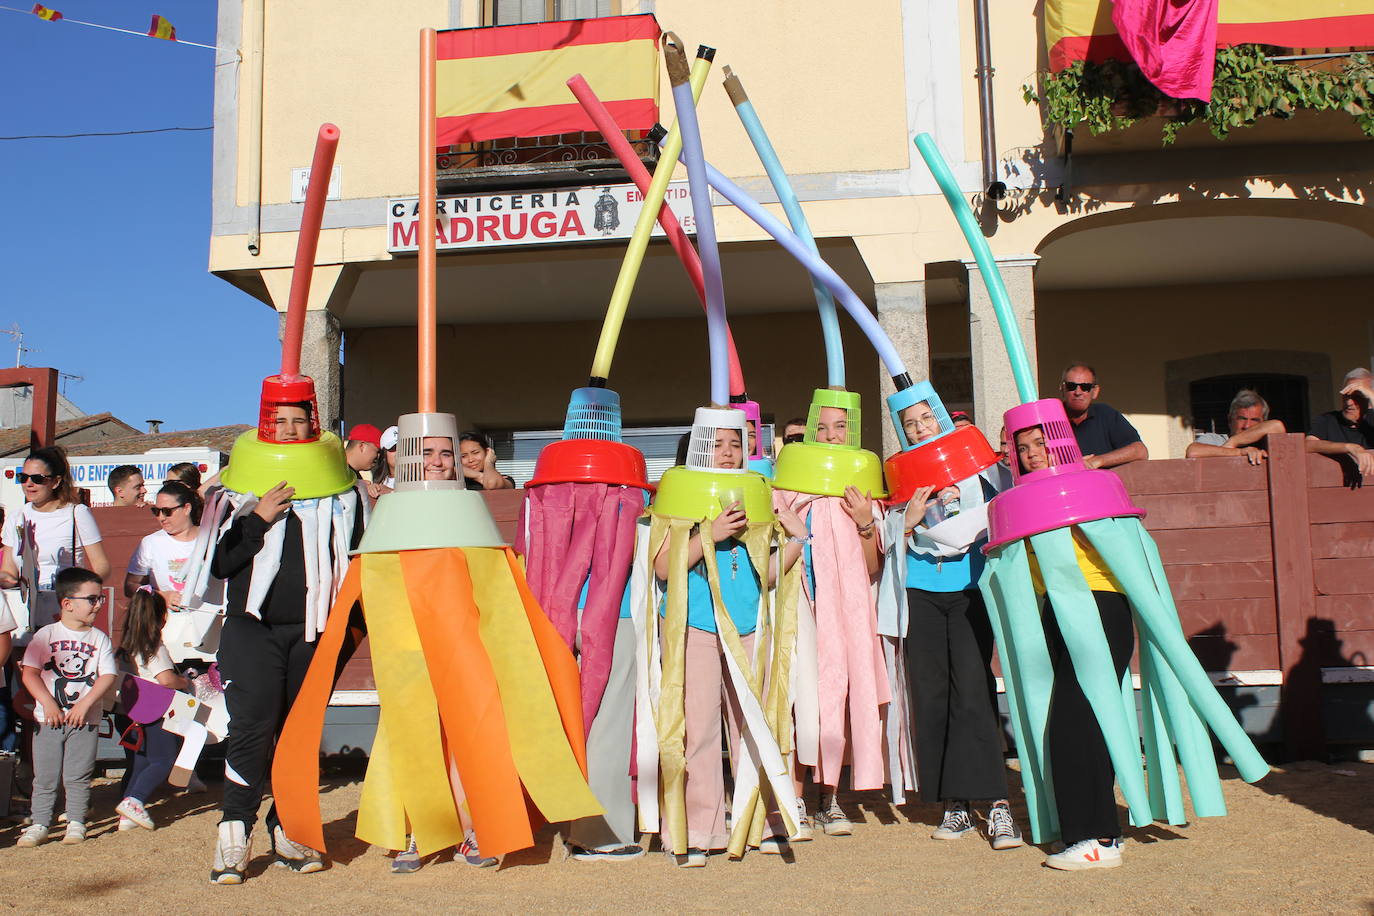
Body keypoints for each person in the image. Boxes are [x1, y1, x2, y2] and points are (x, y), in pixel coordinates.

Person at [652, 425, 807, 866]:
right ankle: (699, 831)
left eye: (735, 444)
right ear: (695, 451)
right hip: (696, 626)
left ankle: (753, 824)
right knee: (698, 730)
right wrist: (710, 534)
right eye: (715, 444)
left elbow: (769, 574)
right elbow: (664, 568)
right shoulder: (678, 499)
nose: (726, 452)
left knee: (752, 728)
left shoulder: (756, 501)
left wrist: (797, 539)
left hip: (747, 627)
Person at [891, 401, 1022, 851]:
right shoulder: (902, 476)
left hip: (970, 589)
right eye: (910, 424)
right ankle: (955, 803)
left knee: (972, 688)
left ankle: (996, 801)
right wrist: (904, 523)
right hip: (920, 592)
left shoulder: (985, 471)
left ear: (943, 421)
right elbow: (887, 533)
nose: (920, 428)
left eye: (927, 419)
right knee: (932, 695)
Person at [1015, 425, 1132, 870]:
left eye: (1039, 445)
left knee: (1075, 723)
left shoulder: (1086, 484)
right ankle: (1099, 835)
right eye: (1022, 448)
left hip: (1096, 603)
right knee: (1078, 722)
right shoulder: (1023, 496)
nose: (1031, 455)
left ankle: (1095, 838)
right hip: (1058, 608)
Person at [16, 567, 118, 847]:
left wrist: (85, 704)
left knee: (78, 773)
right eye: (92, 599)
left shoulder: (100, 639)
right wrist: (47, 703)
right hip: (48, 720)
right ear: (67, 603)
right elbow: (29, 673)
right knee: (45, 775)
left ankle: (75, 821)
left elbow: (107, 675)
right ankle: (40, 823)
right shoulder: (45, 636)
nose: (98, 605)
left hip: (85, 720)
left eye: (100, 600)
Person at [1, 447, 111, 635]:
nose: (29, 484)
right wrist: (6, 579)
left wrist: (81, 594)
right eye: (23, 477)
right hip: (24, 607)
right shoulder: (17, 516)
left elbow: (102, 566)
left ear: (56, 481)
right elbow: (9, 569)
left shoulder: (76, 513)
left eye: (37, 479)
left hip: (63, 606)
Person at [113, 587, 192, 831]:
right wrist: (186, 682)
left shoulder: (125, 646)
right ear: (161, 617)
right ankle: (134, 801)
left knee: (141, 761)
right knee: (164, 760)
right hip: (154, 712)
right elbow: (167, 680)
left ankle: (128, 810)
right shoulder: (153, 646)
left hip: (128, 712)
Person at [1059, 363, 1147, 469]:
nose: (1078, 392)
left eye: (1085, 387)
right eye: (1071, 386)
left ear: (1095, 391)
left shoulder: (1105, 414)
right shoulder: (1048, 418)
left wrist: (1097, 461)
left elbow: (1140, 451)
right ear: (1062, 388)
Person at [1186, 389, 1287, 466]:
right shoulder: (1217, 440)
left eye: (1254, 420)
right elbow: (1193, 452)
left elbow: (1277, 426)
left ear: (1263, 422)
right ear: (1230, 420)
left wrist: (1233, 442)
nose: (1247, 426)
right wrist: (1239, 452)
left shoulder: (1267, 442)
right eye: (1242, 419)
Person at [1305, 369, 1374, 479]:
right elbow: (1307, 445)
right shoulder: (1327, 420)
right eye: (1346, 395)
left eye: (1357, 396)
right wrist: (1351, 448)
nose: (1349, 403)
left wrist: (1371, 395)